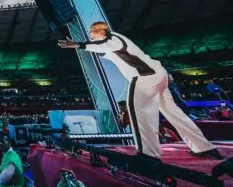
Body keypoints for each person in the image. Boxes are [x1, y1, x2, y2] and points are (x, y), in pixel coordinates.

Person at [59, 21, 222, 161]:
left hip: (145, 76)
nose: (90, 35)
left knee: (138, 112)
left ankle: (148, 154)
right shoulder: (110, 44)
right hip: (158, 75)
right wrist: (82, 46)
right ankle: (204, 147)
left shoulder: (112, 38)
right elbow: (100, 49)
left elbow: (101, 45)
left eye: (92, 32)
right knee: (174, 113)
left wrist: (78, 44)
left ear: (101, 31)